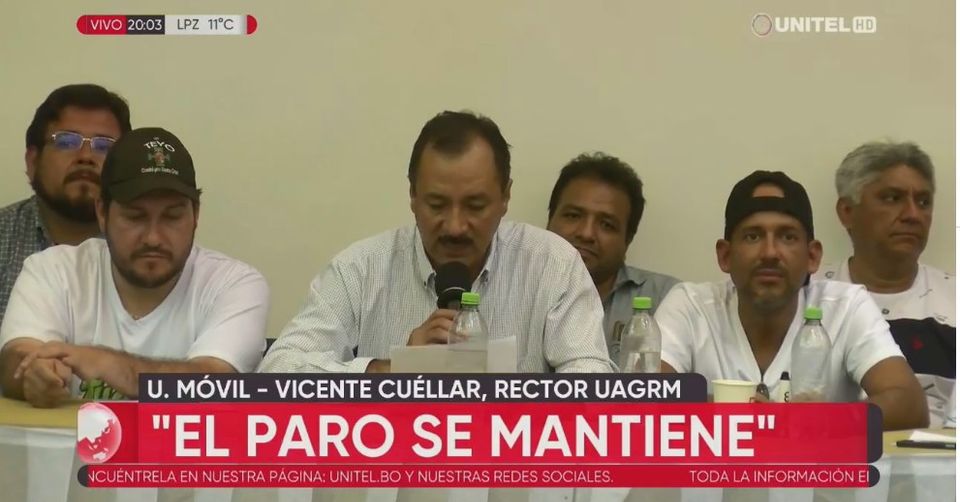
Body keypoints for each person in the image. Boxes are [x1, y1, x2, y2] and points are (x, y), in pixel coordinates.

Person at [259, 110, 614, 374]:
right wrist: (392, 372)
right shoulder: (360, 269)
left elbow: (592, 379)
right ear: (413, 196)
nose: (455, 227)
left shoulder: (553, 264)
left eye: (475, 206)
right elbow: (278, 369)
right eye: (437, 205)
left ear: (505, 196)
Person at [0, 127, 270, 407]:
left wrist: (112, 366)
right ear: (102, 212)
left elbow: (215, 381)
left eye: (172, 217)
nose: (153, 238)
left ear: (196, 214)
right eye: (135, 217)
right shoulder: (53, 270)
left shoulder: (234, 284)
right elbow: (18, 357)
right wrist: (36, 375)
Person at [656, 170, 927, 430]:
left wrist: (823, 422)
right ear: (725, 256)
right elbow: (643, 398)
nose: (770, 253)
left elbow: (910, 405)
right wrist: (743, 415)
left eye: (787, 237)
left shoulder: (846, 306)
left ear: (812, 257)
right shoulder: (690, 306)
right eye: (753, 236)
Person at [816, 141, 954, 426]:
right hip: (828, 451)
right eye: (892, 198)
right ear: (847, 211)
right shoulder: (806, 298)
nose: (913, 215)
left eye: (924, 202)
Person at [0, 84, 132, 323]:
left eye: (104, 146)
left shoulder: (148, 246)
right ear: (33, 161)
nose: (86, 157)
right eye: (66, 142)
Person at [546, 152, 678, 362]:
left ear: (628, 239)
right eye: (573, 215)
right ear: (550, 219)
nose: (586, 233)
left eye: (606, 225)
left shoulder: (667, 300)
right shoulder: (510, 288)